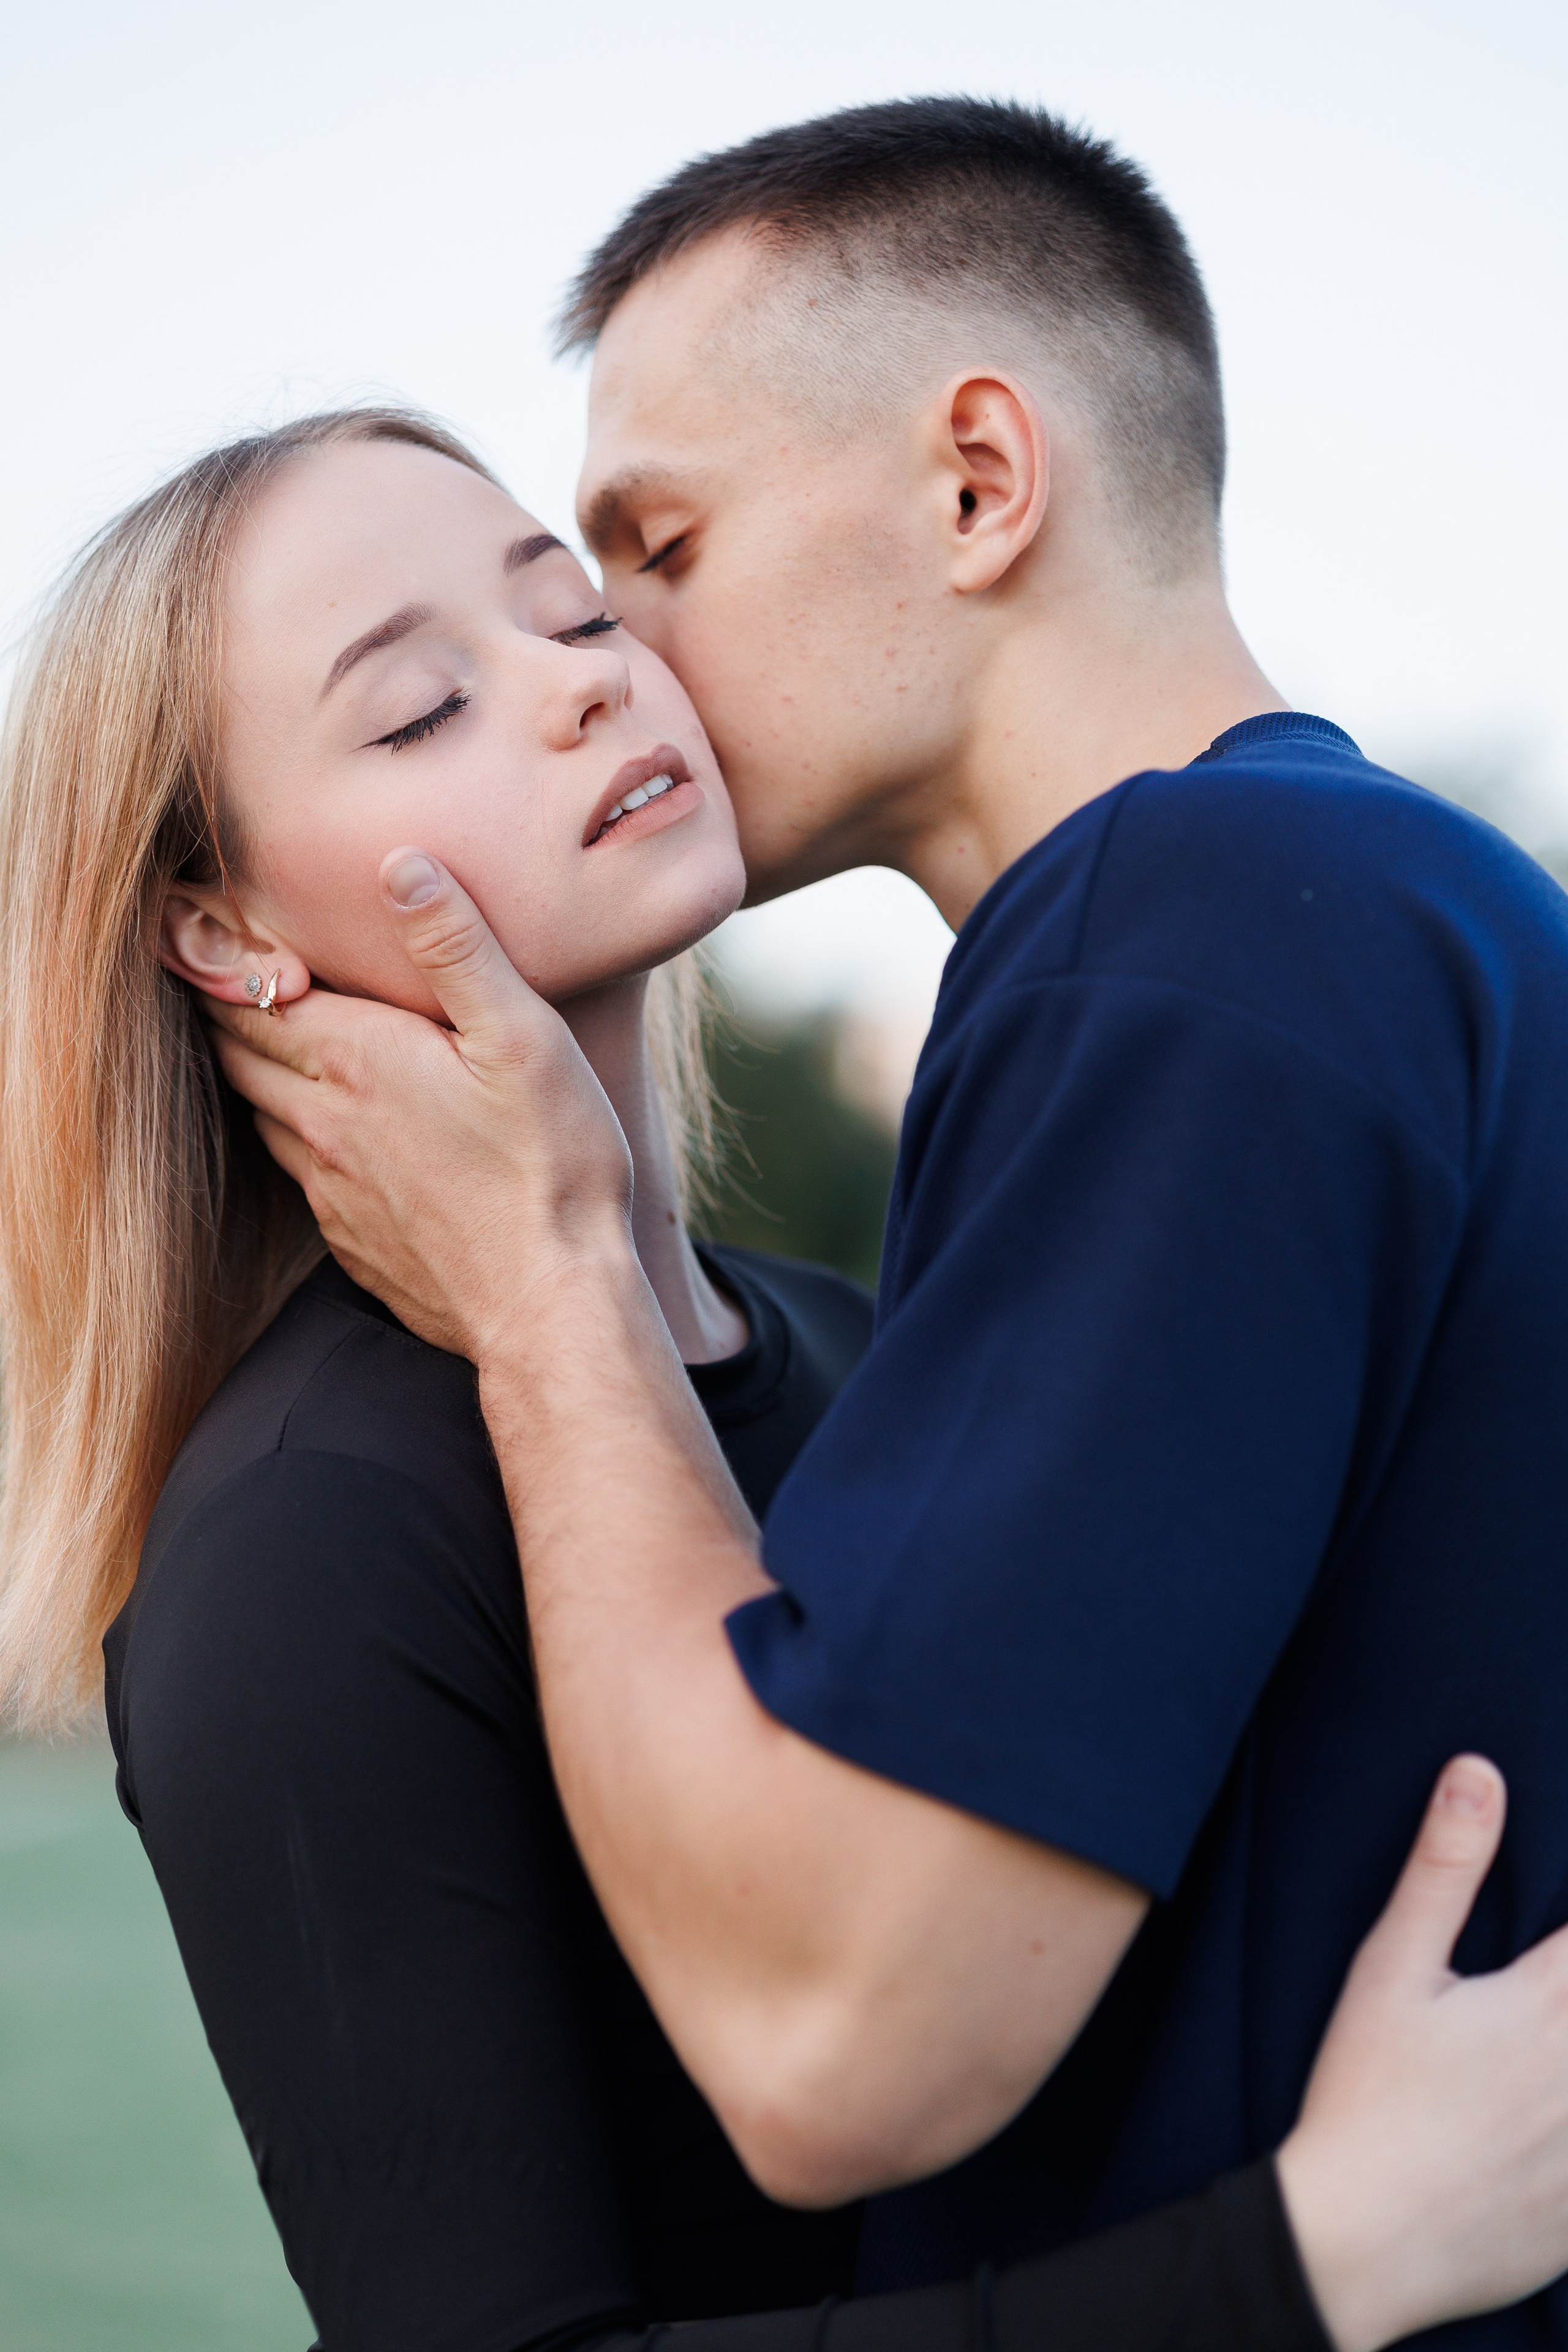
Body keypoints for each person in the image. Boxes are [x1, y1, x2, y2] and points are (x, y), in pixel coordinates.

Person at [206, 100, 1568, 2352]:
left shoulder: (1187, 933)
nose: (612, 658)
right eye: (454, 682)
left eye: (648, 550)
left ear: (977, 482)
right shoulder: (1418, 919)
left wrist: (548, 1290)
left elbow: (843, 2040)